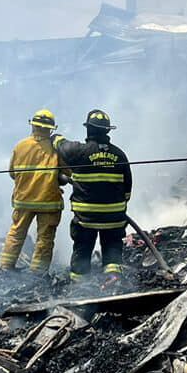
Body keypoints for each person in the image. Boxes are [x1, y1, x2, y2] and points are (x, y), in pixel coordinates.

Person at [55, 109, 133, 280]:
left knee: (83, 249)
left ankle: (79, 286)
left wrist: (56, 137)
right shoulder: (119, 154)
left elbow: (62, 146)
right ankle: (113, 280)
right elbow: (127, 189)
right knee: (112, 247)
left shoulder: (79, 152)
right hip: (114, 218)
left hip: (86, 219)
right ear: (107, 131)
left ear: (89, 129)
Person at [0, 109, 64, 272]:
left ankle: (5, 267)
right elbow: (69, 173)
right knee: (45, 239)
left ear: (33, 126)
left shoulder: (20, 146)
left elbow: (13, 173)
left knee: (15, 234)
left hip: (23, 200)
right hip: (48, 202)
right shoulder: (56, 149)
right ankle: (38, 274)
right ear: (50, 129)